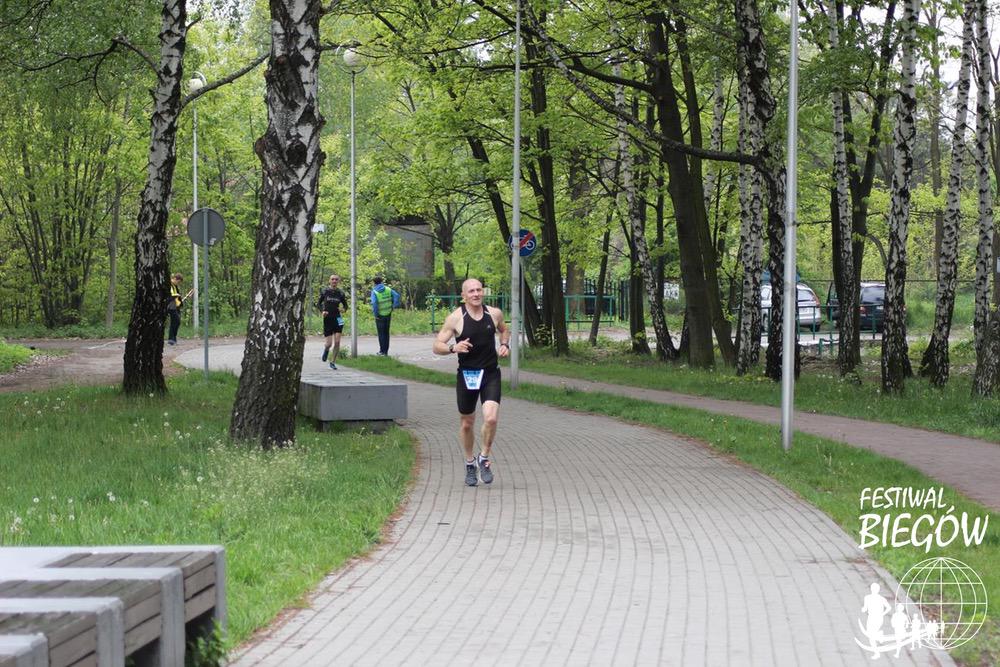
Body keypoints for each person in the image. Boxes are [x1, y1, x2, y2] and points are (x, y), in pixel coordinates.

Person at [433, 278, 510, 486]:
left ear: (483, 292)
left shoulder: (494, 313)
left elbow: (504, 330)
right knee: (467, 423)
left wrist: (504, 344)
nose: (476, 294)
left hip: (490, 374)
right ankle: (470, 463)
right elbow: (437, 345)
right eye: (471, 291)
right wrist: (453, 348)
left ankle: (483, 458)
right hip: (467, 375)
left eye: (479, 290)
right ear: (463, 296)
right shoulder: (455, 318)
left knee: (491, 419)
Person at [316, 274, 349, 369]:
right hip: (328, 318)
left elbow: (345, 306)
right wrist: (323, 311)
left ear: (338, 281)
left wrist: (343, 309)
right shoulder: (325, 291)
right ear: (329, 281)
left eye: (336, 279)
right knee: (329, 344)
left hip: (338, 319)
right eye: (332, 279)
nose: (334, 281)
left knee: (337, 342)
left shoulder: (340, 293)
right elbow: (318, 304)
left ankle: (333, 362)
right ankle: (326, 350)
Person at [370, 275, 400, 356]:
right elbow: (397, 296)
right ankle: (386, 351)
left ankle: (382, 351)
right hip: (388, 313)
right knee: (386, 333)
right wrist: (393, 306)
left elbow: (374, 303)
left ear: (374, 283)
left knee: (381, 334)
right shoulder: (388, 289)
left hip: (380, 315)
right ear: (382, 281)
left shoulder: (374, 292)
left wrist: (376, 314)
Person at [166, 273, 193, 346]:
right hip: (171, 306)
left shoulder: (175, 286)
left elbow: (177, 297)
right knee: (176, 321)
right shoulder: (169, 285)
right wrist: (178, 295)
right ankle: (171, 339)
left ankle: (173, 339)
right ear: (175, 279)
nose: (178, 284)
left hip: (176, 306)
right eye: (178, 282)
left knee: (176, 322)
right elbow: (171, 295)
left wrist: (186, 297)